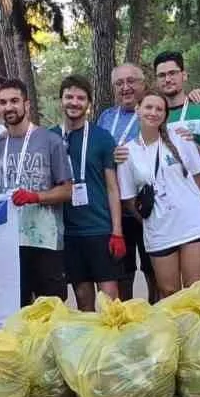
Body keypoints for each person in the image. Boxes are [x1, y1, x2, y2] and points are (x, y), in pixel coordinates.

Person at [116, 90, 200, 297]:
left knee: (194, 289)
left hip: (192, 224)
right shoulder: (127, 152)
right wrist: (150, 218)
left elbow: (198, 178)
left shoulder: (180, 137)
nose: (153, 113)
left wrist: (187, 203)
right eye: (148, 107)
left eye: (159, 109)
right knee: (168, 290)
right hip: (159, 229)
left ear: (165, 115)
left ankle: (197, 331)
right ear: (137, 110)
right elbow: (128, 198)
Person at [0, 79, 75, 305]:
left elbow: (67, 191)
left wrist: (36, 196)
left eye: (14, 101)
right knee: (17, 310)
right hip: (11, 244)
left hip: (46, 242)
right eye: (3, 102)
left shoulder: (50, 141)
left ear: (26, 105)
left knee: (50, 313)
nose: (9, 107)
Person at [55, 75, 125, 309]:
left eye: (80, 98)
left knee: (110, 299)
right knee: (83, 298)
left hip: (100, 228)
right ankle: (91, 346)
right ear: (61, 101)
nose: (74, 102)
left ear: (89, 103)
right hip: (69, 232)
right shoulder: (50, 137)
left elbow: (112, 187)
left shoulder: (102, 137)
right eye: (69, 97)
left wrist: (117, 231)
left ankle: (114, 345)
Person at [98, 59, 151, 300]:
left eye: (131, 81)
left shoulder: (153, 112)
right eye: (119, 83)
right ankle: (128, 321)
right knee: (123, 270)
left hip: (146, 204)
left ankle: (158, 317)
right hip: (116, 207)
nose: (125, 87)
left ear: (143, 84)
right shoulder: (106, 117)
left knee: (154, 267)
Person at [153, 50, 200, 148]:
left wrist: (193, 149)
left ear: (184, 75)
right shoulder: (152, 115)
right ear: (156, 80)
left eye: (172, 73)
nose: (167, 79)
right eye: (161, 75)